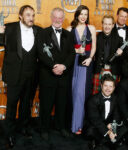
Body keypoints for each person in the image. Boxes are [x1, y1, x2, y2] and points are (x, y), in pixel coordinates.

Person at [0, 5, 41, 147]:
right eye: (28, 15)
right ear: (20, 16)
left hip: (31, 75)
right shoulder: (9, 28)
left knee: (25, 105)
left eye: (33, 15)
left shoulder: (38, 30)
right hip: (14, 76)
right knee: (11, 106)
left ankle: (23, 127)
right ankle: (9, 134)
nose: (31, 18)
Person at [37, 7, 75, 139]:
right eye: (56, 17)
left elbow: (72, 53)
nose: (58, 20)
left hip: (63, 75)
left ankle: (60, 127)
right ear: (51, 18)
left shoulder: (69, 34)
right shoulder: (43, 33)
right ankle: (44, 129)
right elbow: (41, 53)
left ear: (63, 19)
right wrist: (53, 66)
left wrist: (63, 66)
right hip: (48, 74)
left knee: (61, 104)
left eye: (60, 18)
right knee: (46, 104)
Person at [66, 5, 96, 134]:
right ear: (77, 14)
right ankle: (72, 123)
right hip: (73, 64)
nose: (84, 17)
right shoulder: (69, 29)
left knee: (81, 94)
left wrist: (90, 58)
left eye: (86, 14)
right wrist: (76, 50)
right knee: (72, 93)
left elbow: (94, 46)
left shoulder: (92, 28)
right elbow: (66, 49)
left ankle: (79, 125)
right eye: (81, 14)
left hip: (85, 64)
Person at [83, 74, 120, 150]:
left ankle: (103, 140)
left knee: (124, 127)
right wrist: (108, 132)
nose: (108, 89)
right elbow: (95, 120)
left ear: (114, 88)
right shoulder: (92, 100)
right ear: (101, 85)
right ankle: (105, 140)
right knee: (90, 131)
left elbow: (117, 114)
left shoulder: (116, 98)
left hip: (107, 123)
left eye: (110, 86)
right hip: (96, 124)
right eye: (105, 85)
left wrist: (112, 124)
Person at [92, 15, 123, 95]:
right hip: (99, 70)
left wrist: (121, 53)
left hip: (113, 71)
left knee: (112, 95)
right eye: (105, 24)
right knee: (96, 94)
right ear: (102, 24)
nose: (107, 26)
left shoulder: (119, 39)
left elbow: (125, 57)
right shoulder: (96, 37)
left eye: (109, 24)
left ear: (113, 25)